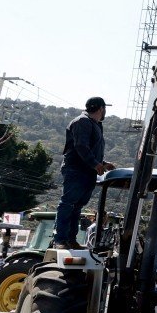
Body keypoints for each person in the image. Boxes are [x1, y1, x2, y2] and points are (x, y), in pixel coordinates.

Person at [54, 97, 116, 249]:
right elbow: (81, 146)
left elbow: (90, 149)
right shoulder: (82, 121)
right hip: (76, 169)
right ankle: (60, 240)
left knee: (76, 206)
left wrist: (102, 163)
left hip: (87, 170)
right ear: (101, 109)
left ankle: (71, 240)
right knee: (68, 203)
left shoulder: (94, 124)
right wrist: (95, 164)